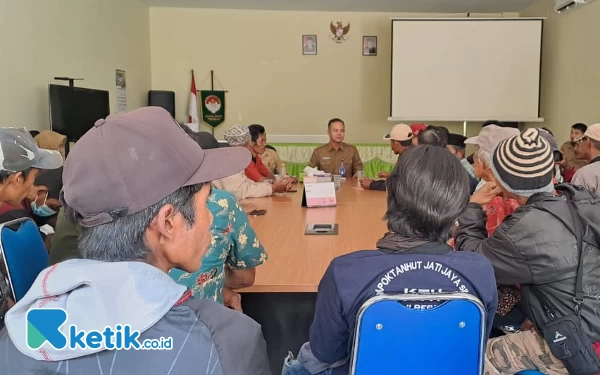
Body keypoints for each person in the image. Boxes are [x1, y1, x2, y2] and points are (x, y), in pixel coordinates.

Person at [0, 107, 271, 374]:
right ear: (168, 223)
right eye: (205, 203)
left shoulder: (12, 339)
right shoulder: (228, 341)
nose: (211, 219)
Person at [283, 145, 498, 375]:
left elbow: (326, 352)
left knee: (302, 362)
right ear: (459, 206)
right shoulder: (480, 270)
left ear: (389, 194)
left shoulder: (345, 271)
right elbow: (472, 344)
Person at [456, 128, 600, 375]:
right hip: (589, 322)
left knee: (466, 356)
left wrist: (473, 206)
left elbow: (473, 262)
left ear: (501, 178)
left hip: (575, 343)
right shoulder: (580, 200)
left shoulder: (525, 228)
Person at [169, 130, 268, 310]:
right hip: (201, 325)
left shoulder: (138, 206)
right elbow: (244, 278)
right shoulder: (220, 203)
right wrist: (211, 280)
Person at [214, 125, 292, 199]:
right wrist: (273, 188)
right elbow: (240, 191)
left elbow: (248, 183)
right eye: (248, 145)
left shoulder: (237, 159)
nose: (249, 148)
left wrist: (275, 187)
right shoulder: (229, 162)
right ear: (242, 146)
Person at [360, 123, 413, 191]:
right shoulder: (409, 154)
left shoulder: (408, 160)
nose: (391, 146)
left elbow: (395, 185)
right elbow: (396, 180)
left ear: (396, 144)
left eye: (391, 142)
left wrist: (371, 185)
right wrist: (373, 182)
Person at [572, 123, 600, 193]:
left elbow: (576, 202)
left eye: (581, 140)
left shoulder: (584, 175)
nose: (579, 144)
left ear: (588, 141)